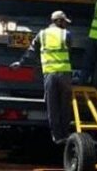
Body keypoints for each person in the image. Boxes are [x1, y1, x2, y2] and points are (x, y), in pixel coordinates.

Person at [11, 11, 73, 144]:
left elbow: (32, 51)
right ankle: (66, 134)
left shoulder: (42, 34)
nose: (65, 25)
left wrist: (20, 63)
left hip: (49, 75)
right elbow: (70, 49)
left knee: (52, 107)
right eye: (64, 22)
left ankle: (57, 137)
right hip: (65, 75)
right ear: (58, 21)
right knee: (65, 107)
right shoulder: (66, 34)